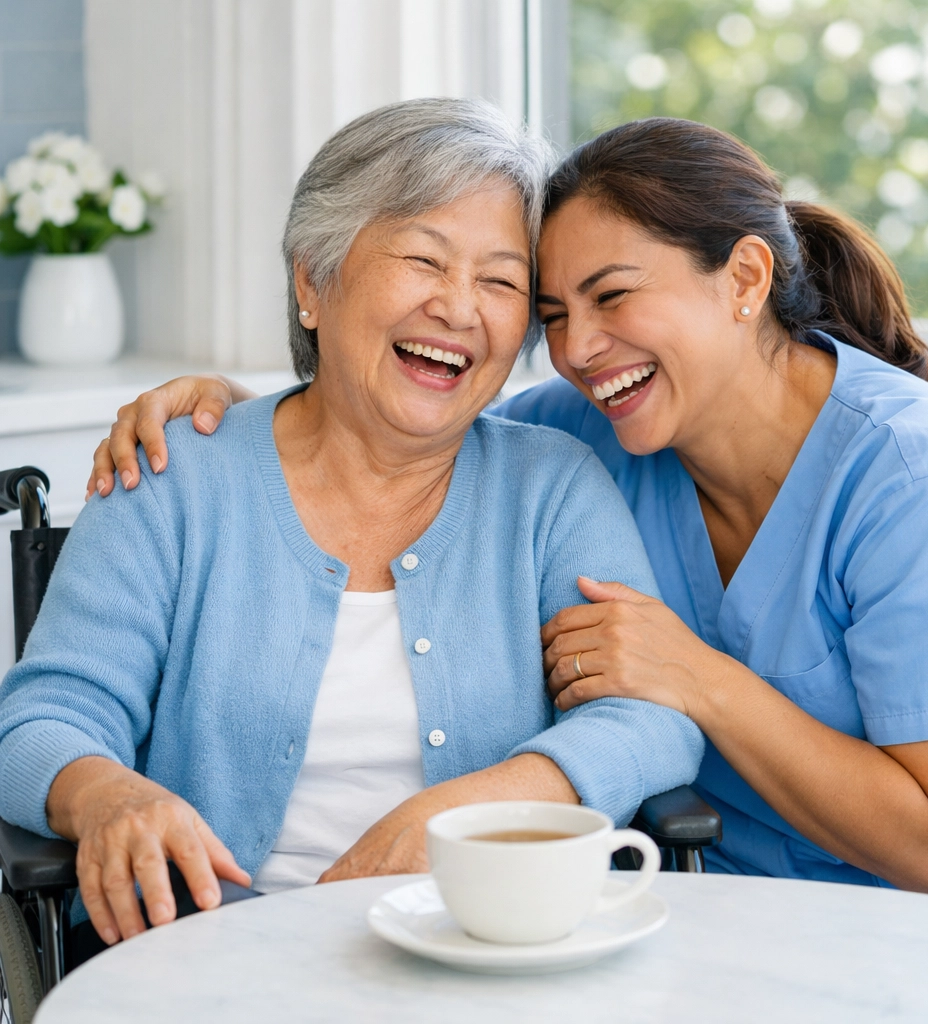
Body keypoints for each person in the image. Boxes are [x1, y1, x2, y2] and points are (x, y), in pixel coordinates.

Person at [97, 117, 928, 908]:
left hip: (926, 934)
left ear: (745, 281)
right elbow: (403, 413)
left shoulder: (920, 480)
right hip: (706, 909)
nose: (579, 348)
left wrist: (694, 676)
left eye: (613, 295)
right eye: (552, 312)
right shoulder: (591, 428)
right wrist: (238, 412)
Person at [0, 100, 706, 958]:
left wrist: (462, 812)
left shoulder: (551, 488)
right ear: (312, 282)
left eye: (500, 280)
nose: (458, 307)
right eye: (422, 259)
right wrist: (107, 795)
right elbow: (42, 718)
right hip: (207, 965)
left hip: (485, 957)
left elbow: (652, 719)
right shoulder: (171, 478)